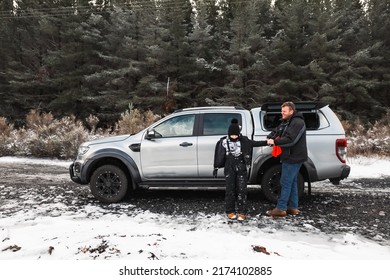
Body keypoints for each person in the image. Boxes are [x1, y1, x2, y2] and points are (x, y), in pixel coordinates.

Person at [213, 119, 267, 221]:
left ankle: (242, 211)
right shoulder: (223, 142)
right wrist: (216, 167)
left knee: (242, 190)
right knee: (230, 190)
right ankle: (230, 211)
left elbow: (255, 143)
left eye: (236, 135)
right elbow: (219, 155)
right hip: (229, 167)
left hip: (241, 167)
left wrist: (266, 142)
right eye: (232, 135)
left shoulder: (244, 141)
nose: (234, 137)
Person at [266, 101, 308, 217]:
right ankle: (293, 207)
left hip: (293, 157)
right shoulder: (287, 121)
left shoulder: (297, 122)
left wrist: (275, 141)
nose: (282, 113)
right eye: (281, 111)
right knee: (292, 182)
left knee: (285, 182)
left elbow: (291, 139)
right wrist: (271, 136)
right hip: (290, 156)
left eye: (284, 111)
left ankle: (280, 208)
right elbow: (277, 130)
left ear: (291, 111)